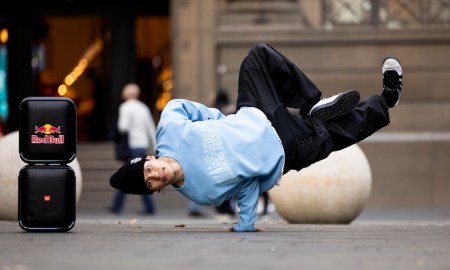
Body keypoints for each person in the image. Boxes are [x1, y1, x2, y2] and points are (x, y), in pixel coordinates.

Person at [110, 43, 403, 231]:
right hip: (282, 150)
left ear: (150, 158)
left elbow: (178, 106)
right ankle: (387, 99)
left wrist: (216, 118)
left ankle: (310, 102)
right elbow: (245, 182)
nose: (157, 176)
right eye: (152, 184)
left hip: (255, 112)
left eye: (150, 170)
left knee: (258, 56)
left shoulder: (168, 133)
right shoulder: (198, 192)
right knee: (336, 134)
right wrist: (245, 224)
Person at [109, 83, 157, 215]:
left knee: (131, 175)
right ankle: (147, 207)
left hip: (132, 146)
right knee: (136, 175)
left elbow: (123, 127)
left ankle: (118, 206)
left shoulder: (125, 107)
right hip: (142, 145)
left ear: (127, 94)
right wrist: (155, 146)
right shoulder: (144, 108)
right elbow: (151, 128)